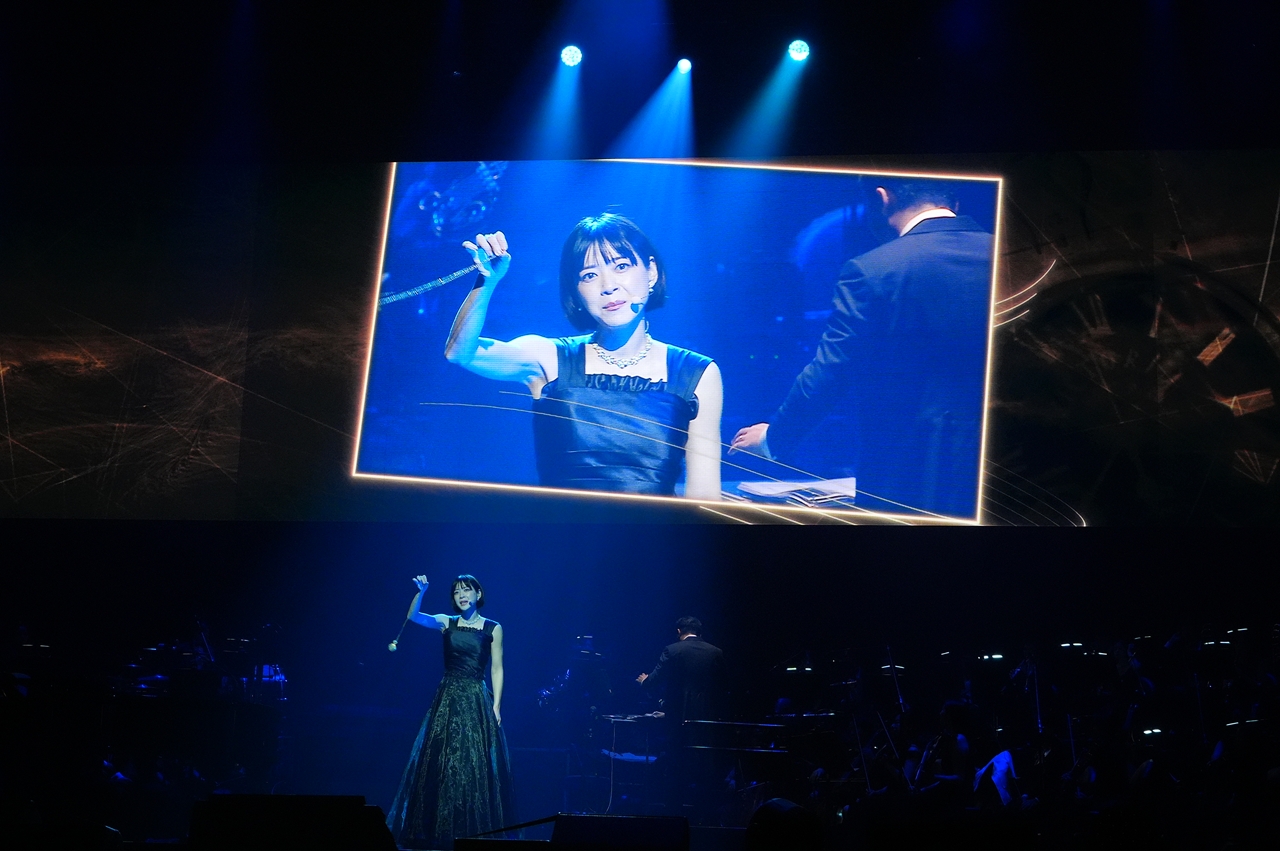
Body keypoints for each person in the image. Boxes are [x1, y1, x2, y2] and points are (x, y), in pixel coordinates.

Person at [730, 180, 993, 517]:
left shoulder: (875, 269)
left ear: (883, 198)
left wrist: (774, 438)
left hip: (910, 466)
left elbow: (832, 370)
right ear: (953, 201)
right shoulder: (1005, 254)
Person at [444, 214, 723, 499]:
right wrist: (486, 282)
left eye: (621, 266)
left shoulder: (695, 373)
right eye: (589, 275)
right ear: (576, 291)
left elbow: (704, 498)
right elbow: (460, 353)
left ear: (651, 272)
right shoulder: (550, 359)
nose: (608, 286)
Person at [387, 575, 514, 850]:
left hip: (475, 699)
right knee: (441, 761)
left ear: (478, 594)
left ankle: (472, 830)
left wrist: (496, 705)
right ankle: (437, 828)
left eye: (466, 590)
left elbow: (497, 668)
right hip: (448, 698)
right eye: (457, 592)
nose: (462, 595)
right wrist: (422, 592)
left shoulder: (493, 628)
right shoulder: (447, 621)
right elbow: (413, 616)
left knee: (472, 763)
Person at [636, 616, 724, 723]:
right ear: (699, 632)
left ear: (679, 631)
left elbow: (658, 676)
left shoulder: (672, 650)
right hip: (707, 712)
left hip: (678, 712)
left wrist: (645, 681)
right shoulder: (716, 652)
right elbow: (722, 684)